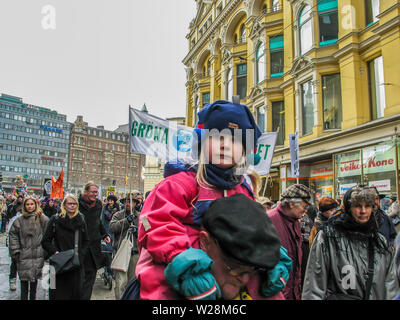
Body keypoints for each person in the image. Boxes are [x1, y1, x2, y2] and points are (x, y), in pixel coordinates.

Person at [136, 100, 291, 300]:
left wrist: (274, 256)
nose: (226, 144)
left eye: (235, 140)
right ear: (202, 142)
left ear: (244, 150)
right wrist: (185, 262)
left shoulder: (243, 190)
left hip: (231, 275)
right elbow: (156, 224)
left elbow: (257, 232)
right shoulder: (180, 184)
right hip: (181, 271)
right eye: (217, 137)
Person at [165, 194, 288, 300]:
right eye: (235, 268)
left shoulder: (262, 282)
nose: (245, 279)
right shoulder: (166, 287)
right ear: (204, 242)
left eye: (253, 269)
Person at [302, 186, 399, 300]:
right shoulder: (328, 238)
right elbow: (314, 284)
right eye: (358, 206)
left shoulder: (380, 242)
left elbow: (390, 284)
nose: (363, 211)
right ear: (349, 208)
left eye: (367, 206)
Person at [268, 183, 312, 300]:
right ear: (292, 204)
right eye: (304, 206)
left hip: (292, 291)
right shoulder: (269, 220)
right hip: (277, 291)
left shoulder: (294, 221)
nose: (305, 210)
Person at [41, 194, 89, 300]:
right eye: (69, 203)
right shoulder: (55, 219)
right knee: (55, 294)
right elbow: (45, 241)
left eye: (74, 203)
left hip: (75, 264)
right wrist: (55, 252)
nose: (72, 206)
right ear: (64, 205)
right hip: (58, 263)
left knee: (75, 294)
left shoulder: (81, 220)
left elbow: (86, 241)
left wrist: (80, 255)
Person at [8, 197, 49, 300]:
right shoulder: (19, 220)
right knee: (24, 284)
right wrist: (16, 251)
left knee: (34, 283)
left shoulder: (42, 219)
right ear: (24, 206)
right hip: (23, 255)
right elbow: (13, 235)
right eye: (27, 204)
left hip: (37, 255)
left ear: (36, 205)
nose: (30, 206)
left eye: (32, 204)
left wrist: (45, 252)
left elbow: (48, 234)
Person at [79, 182, 111, 300]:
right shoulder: (77, 204)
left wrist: (104, 234)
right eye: (92, 192)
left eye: (96, 193)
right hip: (80, 246)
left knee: (91, 276)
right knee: (80, 277)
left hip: (94, 246)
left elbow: (98, 221)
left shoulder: (98, 204)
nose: (95, 195)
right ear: (85, 192)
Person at [110, 193, 140, 299]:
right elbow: (112, 227)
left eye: (131, 201)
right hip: (120, 252)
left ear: (135, 204)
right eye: (126, 201)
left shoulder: (141, 216)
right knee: (120, 283)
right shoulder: (118, 215)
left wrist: (137, 231)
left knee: (133, 283)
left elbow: (148, 231)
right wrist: (126, 221)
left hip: (135, 254)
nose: (128, 204)